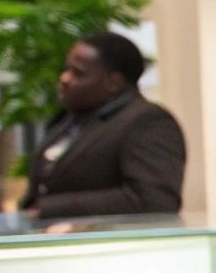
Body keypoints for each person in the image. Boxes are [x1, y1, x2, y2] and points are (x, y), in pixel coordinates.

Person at [19, 31, 186, 218]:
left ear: (113, 82)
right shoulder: (68, 119)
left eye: (78, 73)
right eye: (66, 70)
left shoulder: (149, 122)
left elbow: (154, 200)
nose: (65, 79)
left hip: (107, 243)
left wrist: (49, 209)